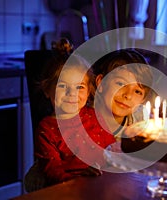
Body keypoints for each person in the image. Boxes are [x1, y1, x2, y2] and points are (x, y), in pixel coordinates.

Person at [24, 39, 115, 192]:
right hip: (68, 190)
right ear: (47, 90)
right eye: (63, 86)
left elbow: (113, 150)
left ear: (88, 91)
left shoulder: (96, 117)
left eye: (79, 86)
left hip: (101, 186)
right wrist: (77, 180)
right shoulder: (46, 129)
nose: (72, 93)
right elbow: (52, 170)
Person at [91, 49, 155, 139]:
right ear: (101, 82)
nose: (128, 95)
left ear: (143, 99)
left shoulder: (141, 122)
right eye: (121, 84)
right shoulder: (81, 121)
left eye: (137, 91)